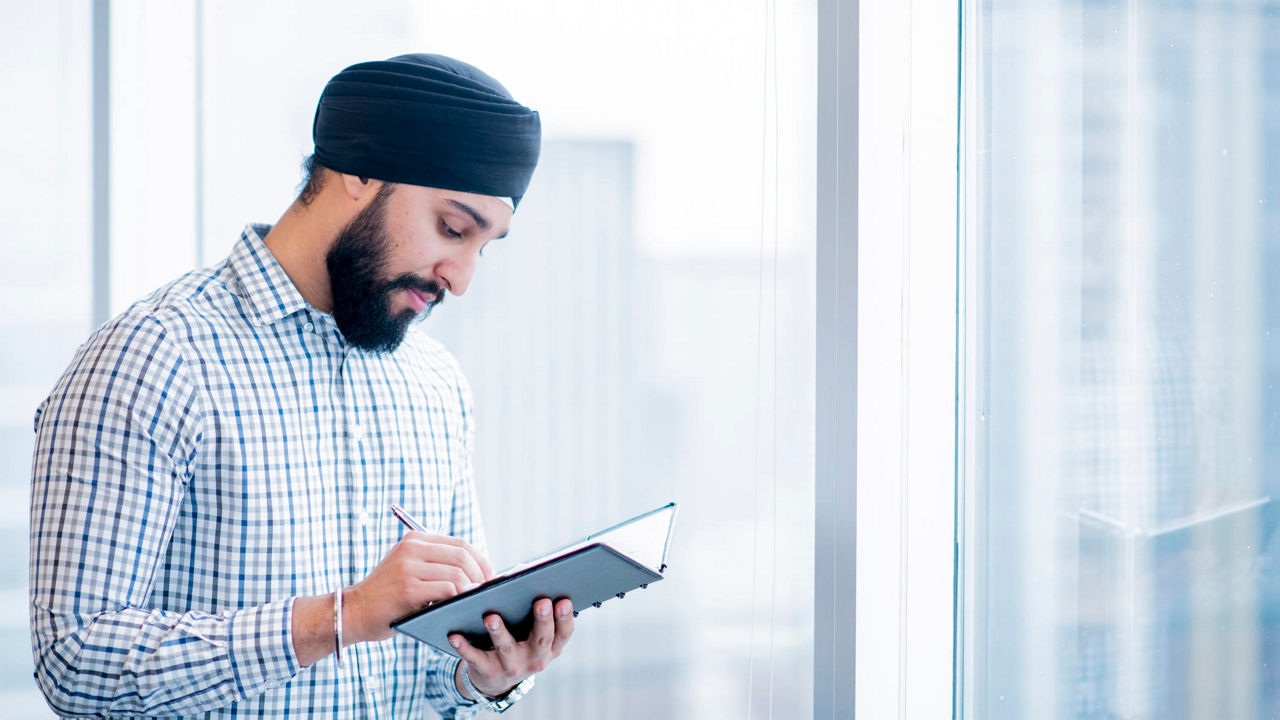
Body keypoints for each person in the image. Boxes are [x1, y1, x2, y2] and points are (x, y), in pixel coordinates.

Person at [28, 53, 572, 718]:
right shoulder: (154, 358)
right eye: (452, 229)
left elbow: (431, 670)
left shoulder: (435, 384)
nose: (460, 277)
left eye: (482, 246)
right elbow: (75, 663)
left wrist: (486, 673)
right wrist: (343, 616)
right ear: (358, 172)